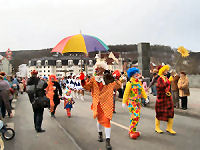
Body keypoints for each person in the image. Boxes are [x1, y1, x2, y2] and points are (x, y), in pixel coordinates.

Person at [80, 61, 121, 150]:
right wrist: (82, 80)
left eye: (99, 68)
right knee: (99, 120)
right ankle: (100, 134)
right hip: (97, 103)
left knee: (106, 121)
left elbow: (118, 86)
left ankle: (108, 141)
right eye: (96, 68)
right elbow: (87, 87)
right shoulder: (93, 79)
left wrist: (115, 78)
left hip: (107, 103)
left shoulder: (108, 79)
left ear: (103, 69)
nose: (96, 69)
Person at [122, 67, 147, 139]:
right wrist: (124, 101)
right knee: (135, 116)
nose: (136, 74)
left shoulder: (139, 82)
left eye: (137, 73)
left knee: (137, 117)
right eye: (135, 73)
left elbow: (142, 91)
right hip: (131, 102)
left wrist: (145, 98)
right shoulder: (129, 83)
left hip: (138, 102)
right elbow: (126, 93)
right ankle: (131, 131)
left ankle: (133, 130)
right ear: (132, 75)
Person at [155, 65, 176, 135]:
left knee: (171, 112)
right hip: (161, 98)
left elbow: (167, 87)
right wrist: (169, 82)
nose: (167, 71)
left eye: (167, 70)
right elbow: (161, 87)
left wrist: (171, 78)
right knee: (159, 112)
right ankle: (157, 128)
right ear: (162, 71)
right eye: (166, 70)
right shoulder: (159, 79)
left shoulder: (166, 78)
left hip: (168, 97)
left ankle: (169, 128)